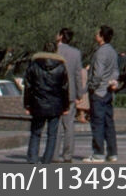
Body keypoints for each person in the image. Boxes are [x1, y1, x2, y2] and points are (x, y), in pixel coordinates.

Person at [23, 44, 70, 164]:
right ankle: (47, 160)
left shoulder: (34, 65)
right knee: (52, 134)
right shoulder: (61, 66)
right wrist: (66, 106)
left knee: (35, 132)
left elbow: (28, 86)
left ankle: (32, 159)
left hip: (37, 103)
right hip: (55, 104)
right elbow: (65, 88)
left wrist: (27, 105)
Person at [89, 26, 121, 162]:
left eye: (97, 33)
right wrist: (112, 82)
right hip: (108, 91)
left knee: (98, 123)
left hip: (99, 92)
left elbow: (98, 73)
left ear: (101, 36)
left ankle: (98, 153)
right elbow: (115, 71)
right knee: (109, 123)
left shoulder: (100, 52)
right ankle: (112, 152)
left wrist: (91, 85)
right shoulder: (113, 51)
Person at [55, 28, 85, 161]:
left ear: (60, 36)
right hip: (70, 92)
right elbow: (78, 75)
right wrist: (80, 93)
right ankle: (68, 154)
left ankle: (54, 153)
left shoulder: (54, 51)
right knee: (69, 125)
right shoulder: (76, 53)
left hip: (55, 92)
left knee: (55, 125)